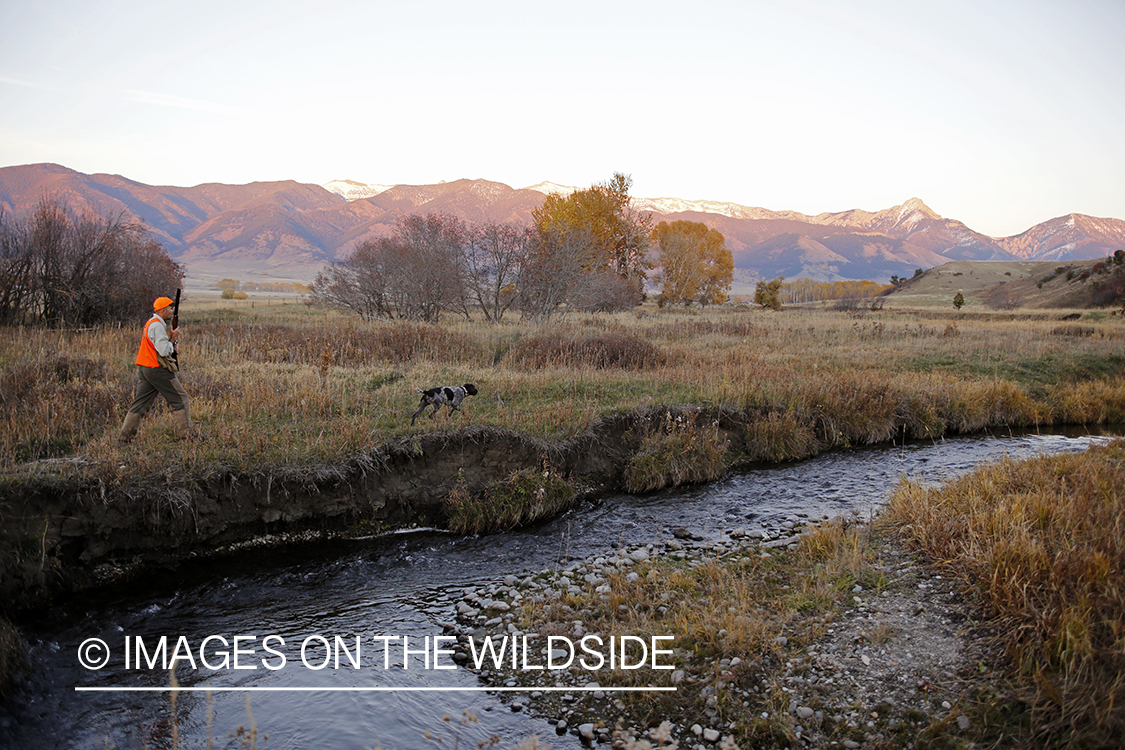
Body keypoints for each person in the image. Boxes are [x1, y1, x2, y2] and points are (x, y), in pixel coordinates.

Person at [119, 296, 194, 441]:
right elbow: (164, 351)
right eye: (170, 309)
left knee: (140, 404)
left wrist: (170, 342)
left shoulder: (150, 323)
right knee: (180, 398)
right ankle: (186, 435)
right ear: (163, 310)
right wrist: (172, 339)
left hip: (145, 368)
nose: (172, 311)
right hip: (157, 369)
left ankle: (124, 437)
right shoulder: (157, 326)